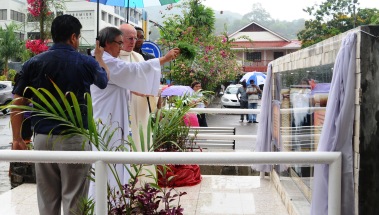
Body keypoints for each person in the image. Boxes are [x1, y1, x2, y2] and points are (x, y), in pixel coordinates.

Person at [11, 14, 109, 215]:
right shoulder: (85, 62)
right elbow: (103, 81)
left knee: (47, 200)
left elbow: (17, 101)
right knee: (75, 200)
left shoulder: (33, 63)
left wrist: (17, 138)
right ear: (73, 37)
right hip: (74, 139)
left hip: (43, 140)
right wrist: (99, 58)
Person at [89, 26, 179, 198]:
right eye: (120, 42)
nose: (123, 46)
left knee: (116, 162)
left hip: (115, 117)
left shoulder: (107, 58)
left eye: (130, 40)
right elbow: (133, 71)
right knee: (108, 164)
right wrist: (164, 59)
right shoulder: (104, 60)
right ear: (107, 43)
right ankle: (105, 203)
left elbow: (128, 81)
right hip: (106, 120)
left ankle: (114, 201)